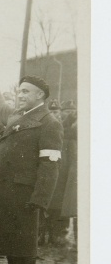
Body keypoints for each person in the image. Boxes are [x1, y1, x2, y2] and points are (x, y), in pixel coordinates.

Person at [0, 58, 63, 264]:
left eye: (25, 92)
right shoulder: (17, 115)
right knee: (12, 240)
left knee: (24, 243)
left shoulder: (49, 123)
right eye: (19, 90)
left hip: (26, 194)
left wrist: (40, 199)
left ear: (40, 96)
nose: (20, 95)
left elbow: (51, 164)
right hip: (8, 192)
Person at [39, 98, 70, 246]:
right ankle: (41, 234)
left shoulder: (68, 128)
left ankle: (57, 234)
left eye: (56, 111)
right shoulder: (44, 125)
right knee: (44, 200)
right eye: (51, 111)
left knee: (59, 203)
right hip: (48, 167)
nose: (55, 114)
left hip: (63, 169)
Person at [59, 100, 78, 244]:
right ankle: (57, 232)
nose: (69, 113)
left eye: (72, 111)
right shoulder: (62, 124)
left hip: (72, 163)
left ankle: (64, 232)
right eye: (66, 110)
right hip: (63, 162)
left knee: (69, 199)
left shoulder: (77, 124)